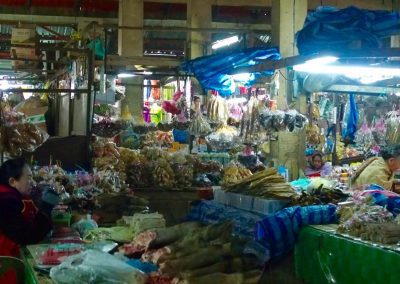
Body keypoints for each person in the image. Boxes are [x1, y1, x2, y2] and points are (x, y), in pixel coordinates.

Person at [0, 158, 60, 283]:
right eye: (28, 177)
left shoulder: (10, 196)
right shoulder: (5, 202)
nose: (32, 182)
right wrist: (45, 210)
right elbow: (27, 236)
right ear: (12, 181)